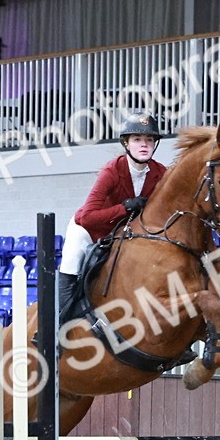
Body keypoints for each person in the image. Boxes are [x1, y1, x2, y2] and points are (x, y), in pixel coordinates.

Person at [58, 113, 166, 316]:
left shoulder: (161, 173)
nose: (144, 145)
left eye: (149, 140)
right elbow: (86, 217)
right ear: (126, 144)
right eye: (137, 139)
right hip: (90, 231)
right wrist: (124, 208)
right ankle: (59, 325)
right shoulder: (112, 171)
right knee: (72, 263)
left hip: (123, 236)